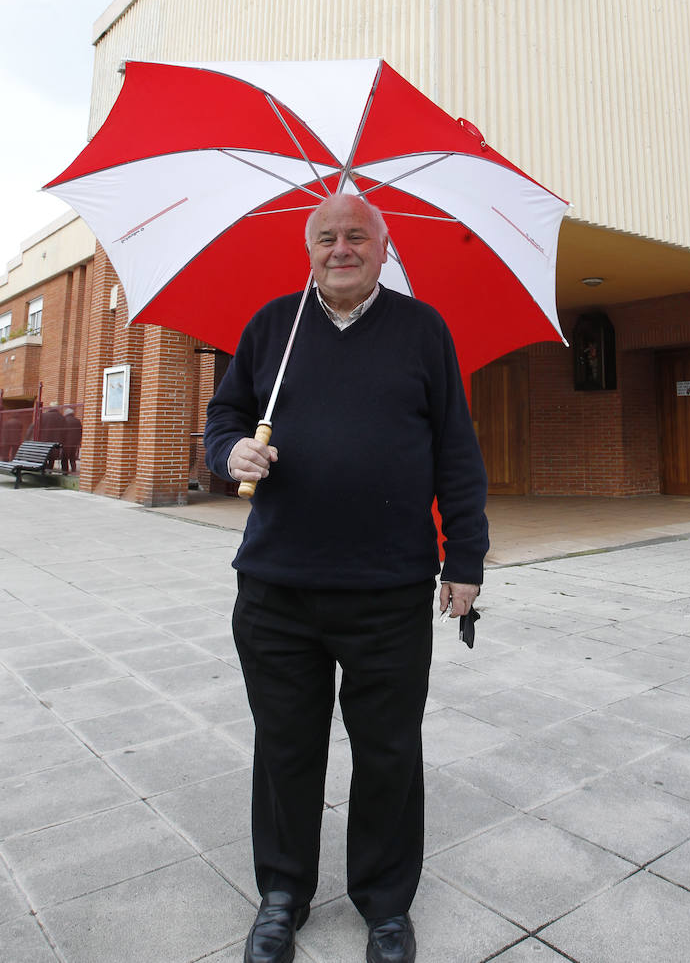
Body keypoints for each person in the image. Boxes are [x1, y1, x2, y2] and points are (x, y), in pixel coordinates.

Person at [205, 193, 488, 963]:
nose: (341, 248)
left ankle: (386, 904)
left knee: (390, 750)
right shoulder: (273, 327)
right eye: (326, 237)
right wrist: (229, 452)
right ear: (308, 250)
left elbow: (456, 454)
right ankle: (282, 895)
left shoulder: (423, 331)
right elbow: (221, 418)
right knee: (286, 747)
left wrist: (465, 559)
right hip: (277, 588)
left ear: (383, 247)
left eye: (356, 236)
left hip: (390, 589)